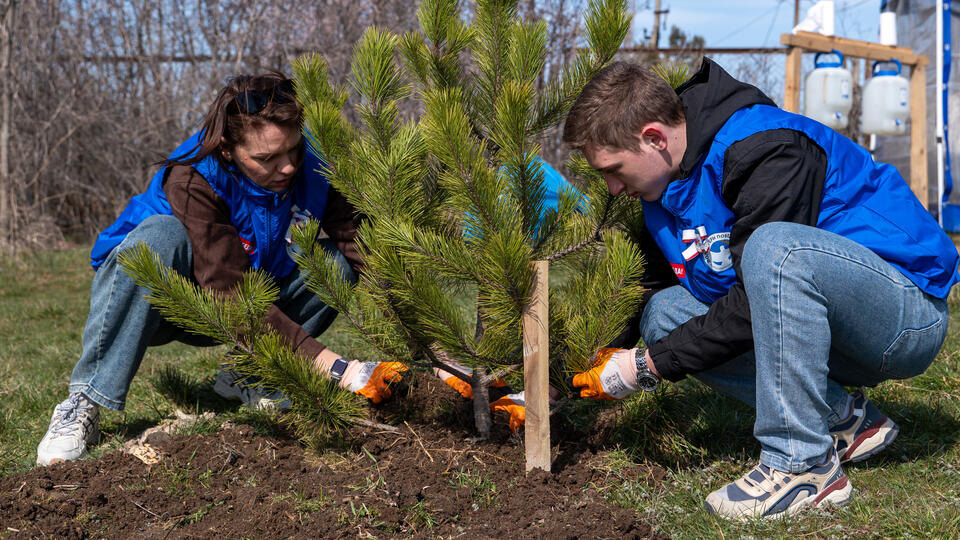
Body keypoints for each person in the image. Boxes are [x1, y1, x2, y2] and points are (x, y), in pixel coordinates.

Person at [564, 58, 959, 519]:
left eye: (613, 169)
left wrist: (649, 366)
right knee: (665, 313)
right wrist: (560, 383)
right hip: (821, 322)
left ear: (654, 138)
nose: (611, 188)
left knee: (776, 248)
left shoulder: (768, 149)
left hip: (904, 316)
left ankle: (804, 468)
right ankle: (844, 420)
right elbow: (641, 288)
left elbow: (760, 293)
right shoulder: (664, 187)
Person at [36, 72, 408, 466]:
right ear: (229, 150)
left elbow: (360, 247)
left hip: (250, 294)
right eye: (266, 159)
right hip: (161, 302)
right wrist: (336, 368)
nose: (286, 168)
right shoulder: (194, 174)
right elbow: (229, 292)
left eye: (293, 151)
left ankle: (247, 375)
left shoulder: (312, 168)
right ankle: (85, 401)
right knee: (160, 237)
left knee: (334, 263)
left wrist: (436, 348)